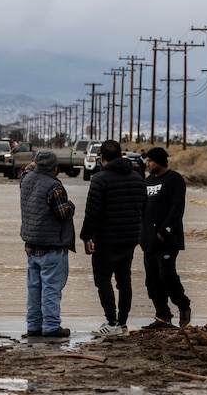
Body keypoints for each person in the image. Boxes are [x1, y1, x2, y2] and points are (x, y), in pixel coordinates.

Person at [80, 139, 146, 337]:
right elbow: (144, 209)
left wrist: (86, 237)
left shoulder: (99, 179)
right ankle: (122, 323)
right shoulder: (137, 178)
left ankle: (111, 322)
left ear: (102, 157)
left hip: (106, 239)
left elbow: (92, 212)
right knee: (124, 282)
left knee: (103, 280)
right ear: (120, 155)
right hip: (130, 239)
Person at [19, 150, 76, 338]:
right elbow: (63, 213)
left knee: (34, 288)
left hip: (31, 245)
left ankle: (34, 325)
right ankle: (51, 326)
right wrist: (71, 206)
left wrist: (34, 165)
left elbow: (26, 171)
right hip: (52, 246)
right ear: (54, 168)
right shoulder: (54, 187)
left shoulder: (26, 181)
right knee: (51, 288)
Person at [140, 147, 192, 329]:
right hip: (148, 240)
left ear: (160, 161)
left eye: (150, 161)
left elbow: (177, 209)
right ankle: (162, 316)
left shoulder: (174, 179)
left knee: (167, 275)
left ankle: (183, 305)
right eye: (147, 161)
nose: (147, 164)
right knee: (152, 280)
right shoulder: (147, 181)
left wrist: (163, 232)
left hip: (168, 239)